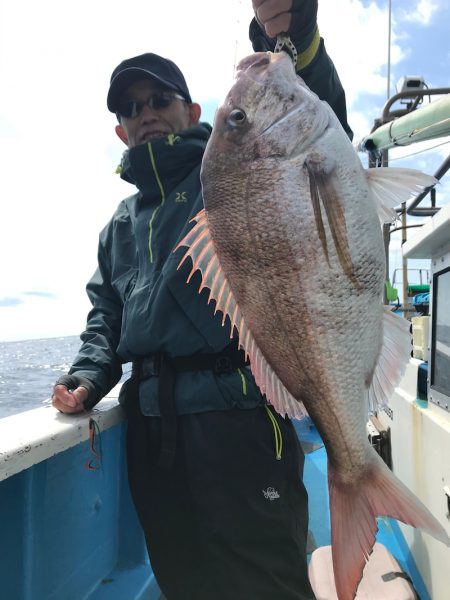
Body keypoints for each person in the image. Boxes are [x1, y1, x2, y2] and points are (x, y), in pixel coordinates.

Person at [52, 2, 352, 599]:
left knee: (266, 582)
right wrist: (88, 376)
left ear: (191, 112)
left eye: (159, 100)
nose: (146, 115)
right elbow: (105, 319)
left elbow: (313, 133)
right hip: (154, 436)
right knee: (181, 580)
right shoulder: (119, 224)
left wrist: (290, 41)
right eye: (131, 109)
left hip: (240, 420)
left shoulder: (232, 174)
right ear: (120, 130)